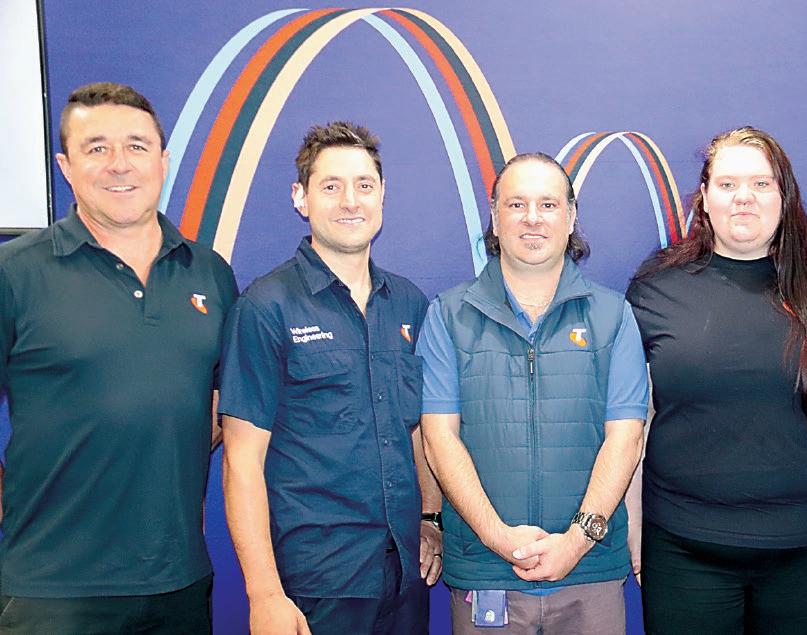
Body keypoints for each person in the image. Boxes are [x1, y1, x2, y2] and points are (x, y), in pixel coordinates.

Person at [0, 82, 237, 633]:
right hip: (50, 592)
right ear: (65, 165)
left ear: (162, 161)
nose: (119, 164)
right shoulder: (15, 273)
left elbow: (223, 405)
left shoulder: (210, 274)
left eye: (136, 145)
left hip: (179, 584)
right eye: (96, 148)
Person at [625, 126, 807, 634]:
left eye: (761, 183)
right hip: (684, 547)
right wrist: (633, 524)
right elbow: (634, 421)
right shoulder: (655, 289)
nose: (743, 197)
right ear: (704, 197)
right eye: (728, 184)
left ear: (784, 195)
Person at [219, 122, 441, 635]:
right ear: (301, 197)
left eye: (364, 185)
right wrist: (264, 594)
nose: (350, 201)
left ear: (382, 194)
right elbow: (241, 461)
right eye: (331, 186)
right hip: (317, 581)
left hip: (405, 574)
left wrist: (431, 518)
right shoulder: (266, 306)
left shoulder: (407, 303)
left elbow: (417, 431)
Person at [417, 152, 648, 633]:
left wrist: (576, 542)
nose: (532, 218)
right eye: (516, 204)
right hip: (485, 571)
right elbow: (439, 439)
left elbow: (626, 439)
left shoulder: (613, 316)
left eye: (548, 204)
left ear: (571, 217)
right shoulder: (447, 316)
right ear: (494, 216)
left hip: (590, 571)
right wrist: (498, 538)